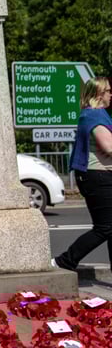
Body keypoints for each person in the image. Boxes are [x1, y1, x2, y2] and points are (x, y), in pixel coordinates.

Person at [53, 76, 112, 272]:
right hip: (98, 177)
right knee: (104, 228)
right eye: (108, 91)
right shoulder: (95, 115)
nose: (111, 94)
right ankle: (65, 261)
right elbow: (108, 147)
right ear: (99, 94)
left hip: (99, 176)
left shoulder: (95, 114)